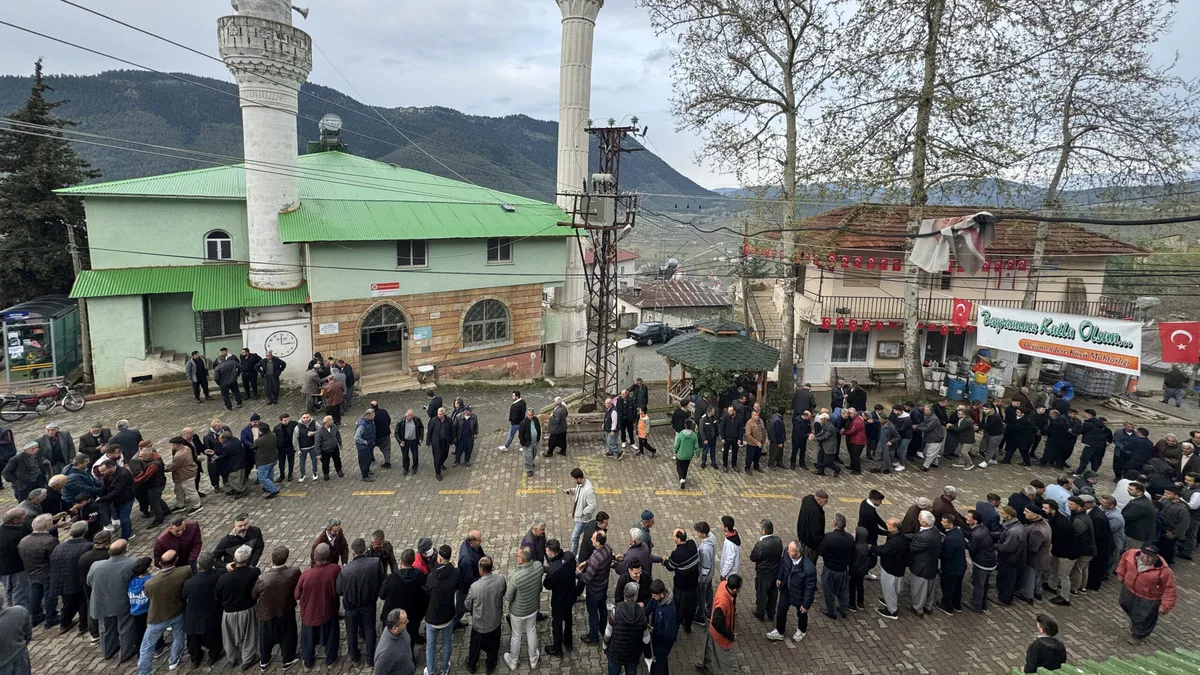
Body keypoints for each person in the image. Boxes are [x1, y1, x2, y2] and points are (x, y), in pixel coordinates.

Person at [136, 549, 190, 674]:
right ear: (176, 560)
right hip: (177, 611)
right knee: (178, 636)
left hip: (156, 617)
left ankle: (144, 672)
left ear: (160, 563)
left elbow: (148, 595)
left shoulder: (150, 583)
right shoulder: (184, 571)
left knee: (147, 647)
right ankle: (174, 660)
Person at [87, 538, 139, 661]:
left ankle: (108, 652)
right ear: (126, 549)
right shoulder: (133, 562)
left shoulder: (96, 565)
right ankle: (126, 652)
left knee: (105, 629)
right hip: (122, 602)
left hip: (101, 602)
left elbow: (89, 582)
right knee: (125, 627)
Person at [252, 546, 300, 670]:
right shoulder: (294, 572)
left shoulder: (263, 578)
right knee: (288, 634)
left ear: (272, 559)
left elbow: (254, 595)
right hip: (286, 609)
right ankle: (288, 658)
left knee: (265, 636)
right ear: (286, 558)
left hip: (267, 613)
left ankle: (264, 660)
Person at [1116, 544, 1177, 644]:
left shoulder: (1164, 571)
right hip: (1128, 589)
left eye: (1150, 557)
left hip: (1148, 597)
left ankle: (1137, 635)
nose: (1146, 558)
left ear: (1156, 557)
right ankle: (1136, 623)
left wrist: (1165, 606)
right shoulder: (1131, 554)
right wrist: (1121, 573)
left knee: (1143, 617)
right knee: (1124, 604)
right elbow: (1123, 561)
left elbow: (1170, 589)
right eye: (1144, 554)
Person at [296, 543, 341, 667]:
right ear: (329, 556)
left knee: (308, 640)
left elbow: (297, 594)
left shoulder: (306, 574)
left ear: (315, 558)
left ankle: (308, 662)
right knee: (331, 637)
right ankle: (331, 660)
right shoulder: (335, 569)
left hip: (310, 613)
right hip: (328, 610)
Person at [340, 538, 385, 666]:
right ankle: (370, 659)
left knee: (351, 631)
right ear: (365, 550)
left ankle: (355, 657)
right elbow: (381, 579)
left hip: (351, 606)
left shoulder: (345, 570)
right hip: (368, 603)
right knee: (370, 629)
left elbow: (339, 589)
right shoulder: (376, 563)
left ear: (353, 553)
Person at [215, 544, 260, 668]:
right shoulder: (254, 573)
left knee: (228, 637)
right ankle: (248, 658)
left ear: (234, 560)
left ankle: (232, 658)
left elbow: (217, 595)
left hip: (228, 611)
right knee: (249, 635)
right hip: (247, 609)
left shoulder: (224, 578)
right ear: (248, 559)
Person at [379, 549, 427, 660]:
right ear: (413, 561)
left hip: (393, 615)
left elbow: (381, 595)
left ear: (401, 562)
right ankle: (410, 659)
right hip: (412, 615)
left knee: (390, 639)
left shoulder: (392, 578)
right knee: (410, 638)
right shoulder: (419, 576)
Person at [767, 540, 816, 642]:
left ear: (798, 554)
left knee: (801, 612)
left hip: (799, 593)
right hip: (787, 589)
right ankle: (780, 631)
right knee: (781, 609)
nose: (788, 551)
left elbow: (810, 588)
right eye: (788, 548)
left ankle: (802, 630)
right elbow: (783, 564)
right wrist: (779, 577)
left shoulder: (809, 569)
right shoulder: (786, 553)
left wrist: (806, 604)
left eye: (791, 550)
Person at [503, 545, 543, 671]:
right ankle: (533, 660)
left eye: (517, 556)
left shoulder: (516, 577)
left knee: (516, 635)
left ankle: (513, 661)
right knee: (531, 631)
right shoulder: (538, 566)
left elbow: (508, 597)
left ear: (521, 560)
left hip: (518, 611)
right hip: (532, 608)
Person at [464, 555, 505, 674]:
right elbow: (504, 592)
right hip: (495, 621)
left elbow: (467, 605)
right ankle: (490, 665)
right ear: (492, 567)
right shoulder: (501, 579)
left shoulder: (475, 587)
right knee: (494, 646)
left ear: (481, 570)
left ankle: (472, 665)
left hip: (479, 624)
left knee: (475, 647)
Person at [48, 520, 90, 633]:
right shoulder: (87, 546)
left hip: (62, 580)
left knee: (68, 604)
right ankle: (83, 625)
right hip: (78, 580)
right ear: (85, 531)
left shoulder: (59, 547)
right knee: (82, 603)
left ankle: (64, 624)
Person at [17, 514, 58, 629]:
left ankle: (35, 617)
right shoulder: (50, 541)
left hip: (31, 571)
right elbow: (54, 558)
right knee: (50, 595)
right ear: (47, 525)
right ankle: (51, 618)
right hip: (47, 571)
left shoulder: (24, 540)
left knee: (35, 595)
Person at [424, 544, 458, 675]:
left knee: (430, 646)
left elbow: (427, 593)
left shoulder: (431, 576)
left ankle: (431, 671)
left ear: (439, 558)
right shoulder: (455, 573)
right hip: (447, 615)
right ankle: (444, 669)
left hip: (432, 617)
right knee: (447, 642)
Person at [695, 574, 740, 675]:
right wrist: (730, 635)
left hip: (712, 630)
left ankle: (700, 663)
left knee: (708, 648)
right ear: (734, 590)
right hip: (720, 636)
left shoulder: (724, 584)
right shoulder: (723, 603)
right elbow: (717, 623)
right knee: (729, 661)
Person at [604, 581, 649, 675]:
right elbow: (646, 638)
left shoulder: (615, 611)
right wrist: (647, 654)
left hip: (615, 653)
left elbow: (608, 633)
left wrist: (604, 648)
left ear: (624, 594)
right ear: (636, 596)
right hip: (632, 653)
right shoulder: (641, 614)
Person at [543, 539, 577, 657]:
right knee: (568, 619)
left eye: (547, 551)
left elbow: (547, 585)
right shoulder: (570, 556)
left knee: (557, 624)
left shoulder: (553, 570)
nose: (546, 553)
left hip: (559, 601)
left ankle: (557, 649)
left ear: (552, 553)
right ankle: (568, 641)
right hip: (571, 595)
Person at [578, 529, 612, 645]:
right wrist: (586, 562)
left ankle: (593, 637)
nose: (591, 539)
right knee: (602, 610)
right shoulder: (608, 549)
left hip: (594, 590)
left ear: (598, 543)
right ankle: (603, 629)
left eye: (593, 538)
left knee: (593, 614)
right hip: (603, 586)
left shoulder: (595, 559)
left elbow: (587, 578)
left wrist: (578, 574)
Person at [816, 513, 853, 619]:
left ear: (835, 523)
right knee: (843, 591)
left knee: (829, 591)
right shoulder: (849, 537)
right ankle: (843, 609)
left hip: (830, 568)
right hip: (843, 569)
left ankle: (831, 611)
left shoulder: (828, 537)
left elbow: (821, 551)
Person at [870, 518, 907, 619]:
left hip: (890, 569)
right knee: (895, 588)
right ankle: (890, 602)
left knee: (889, 589)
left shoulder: (894, 542)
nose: (886, 525)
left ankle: (892, 611)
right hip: (899, 568)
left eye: (889, 524)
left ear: (895, 528)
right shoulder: (902, 537)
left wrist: (871, 548)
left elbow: (883, 551)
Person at [748, 519, 782, 622]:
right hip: (775, 571)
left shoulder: (761, 545)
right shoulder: (778, 540)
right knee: (773, 592)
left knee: (762, 593)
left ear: (763, 531)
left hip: (763, 573)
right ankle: (771, 613)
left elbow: (753, 557)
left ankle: (760, 612)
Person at [908, 511, 942, 616]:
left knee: (919, 589)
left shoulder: (923, 537)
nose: (918, 519)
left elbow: (912, 548)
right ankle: (928, 606)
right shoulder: (934, 530)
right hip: (931, 565)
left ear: (925, 523)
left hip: (921, 567)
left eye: (919, 518)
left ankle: (917, 608)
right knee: (930, 589)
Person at [964, 509, 997, 612]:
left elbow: (972, 547)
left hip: (981, 563)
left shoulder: (976, 534)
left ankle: (977, 605)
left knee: (979, 585)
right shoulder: (982, 528)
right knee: (985, 583)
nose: (966, 517)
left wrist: (962, 539)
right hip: (990, 561)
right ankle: (983, 603)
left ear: (975, 521)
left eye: (969, 517)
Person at [995, 506, 1026, 605]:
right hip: (1009, 559)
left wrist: (995, 545)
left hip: (1010, 559)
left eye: (1003, 514)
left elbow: (1007, 548)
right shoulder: (1012, 525)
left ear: (1009, 516)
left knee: (1007, 580)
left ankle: (1005, 599)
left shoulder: (1014, 531)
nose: (1001, 515)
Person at [374, 609, 416, 675]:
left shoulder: (401, 629)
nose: (408, 621)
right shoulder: (385, 655)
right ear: (395, 628)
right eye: (405, 622)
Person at [1121, 481, 1156, 550]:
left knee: (1131, 553)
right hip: (1137, 533)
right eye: (1128, 488)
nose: (1128, 490)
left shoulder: (1139, 505)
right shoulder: (1141, 499)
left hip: (1136, 535)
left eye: (1131, 490)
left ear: (1139, 492)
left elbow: (1126, 516)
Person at [796, 491, 827, 562]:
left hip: (802, 537)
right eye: (825, 501)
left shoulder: (807, 500)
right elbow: (815, 533)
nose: (826, 503)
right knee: (809, 562)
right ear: (818, 499)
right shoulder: (816, 513)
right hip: (810, 545)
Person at [394, 409, 424, 477]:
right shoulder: (401, 422)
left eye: (413, 415)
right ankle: (405, 468)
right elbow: (396, 433)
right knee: (405, 455)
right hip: (405, 441)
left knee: (415, 455)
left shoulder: (416, 419)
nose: (412, 417)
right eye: (410, 415)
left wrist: (421, 437)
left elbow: (421, 427)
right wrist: (400, 441)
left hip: (414, 440)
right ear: (407, 415)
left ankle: (414, 467)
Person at [427, 408, 453, 481]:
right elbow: (430, 431)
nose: (439, 415)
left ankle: (441, 463)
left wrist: (451, 440)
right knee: (437, 458)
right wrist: (428, 441)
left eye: (441, 414)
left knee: (445, 455)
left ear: (444, 414)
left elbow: (452, 430)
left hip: (445, 442)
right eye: (438, 414)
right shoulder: (433, 420)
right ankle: (438, 473)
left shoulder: (448, 420)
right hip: (436, 442)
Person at [315, 415, 344, 481]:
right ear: (326, 422)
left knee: (337, 460)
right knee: (325, 463)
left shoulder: (334, 426)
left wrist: (340, 443)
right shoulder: (320, 432)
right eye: (331, 420)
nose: (333, 421)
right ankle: (326, 474)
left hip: (334, 448)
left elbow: (337, 434)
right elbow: (317, 443)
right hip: (325, 451)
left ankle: (339, 470)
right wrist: (318, 454)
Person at [355, 410, 379, 482]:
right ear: (368, 416)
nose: (374, 415)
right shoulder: (362, 425)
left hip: (369, 444)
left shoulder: (370, 421)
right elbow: (357, 437)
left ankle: (367, 471)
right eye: (373, 414)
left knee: (369, 459)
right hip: (363, 446)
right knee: (365, 460)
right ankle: (364, 476)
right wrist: (365, 442)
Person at [273, 414, 297, 483]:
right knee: (281, 462)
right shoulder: (277, 428)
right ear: (281, 421)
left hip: (290, 447)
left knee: (291, 461)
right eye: (285, 420)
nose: (287, 421)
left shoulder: (293, 424)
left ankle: (290, 474)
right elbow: (274, 438)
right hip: (281, 448)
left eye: (287, 420)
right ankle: (282, 475)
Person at [718, 406, 740, 472]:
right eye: (728, 411)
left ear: (734, 411)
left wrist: (740, 438)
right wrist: (723, 437)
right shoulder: (725, 417)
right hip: (727, 438)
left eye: (730, 411)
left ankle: (734, 464)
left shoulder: (739, 418)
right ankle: (725, 465)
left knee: (735, 452)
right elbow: (722, 428)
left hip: (735, 438)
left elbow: (740, 428)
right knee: (725, 452)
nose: (729, 413)